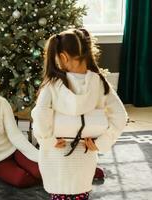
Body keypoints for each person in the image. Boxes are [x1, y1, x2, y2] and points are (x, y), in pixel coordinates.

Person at [31, 28, 128, 199]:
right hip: (84, 155)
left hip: (56, 156)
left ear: (63, 57)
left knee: (59, 194)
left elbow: (40, 114)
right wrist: (102, 142)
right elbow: (120, 116)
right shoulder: (99, 82)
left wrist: (48, 140)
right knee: (80, 193)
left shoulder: (52, 84)